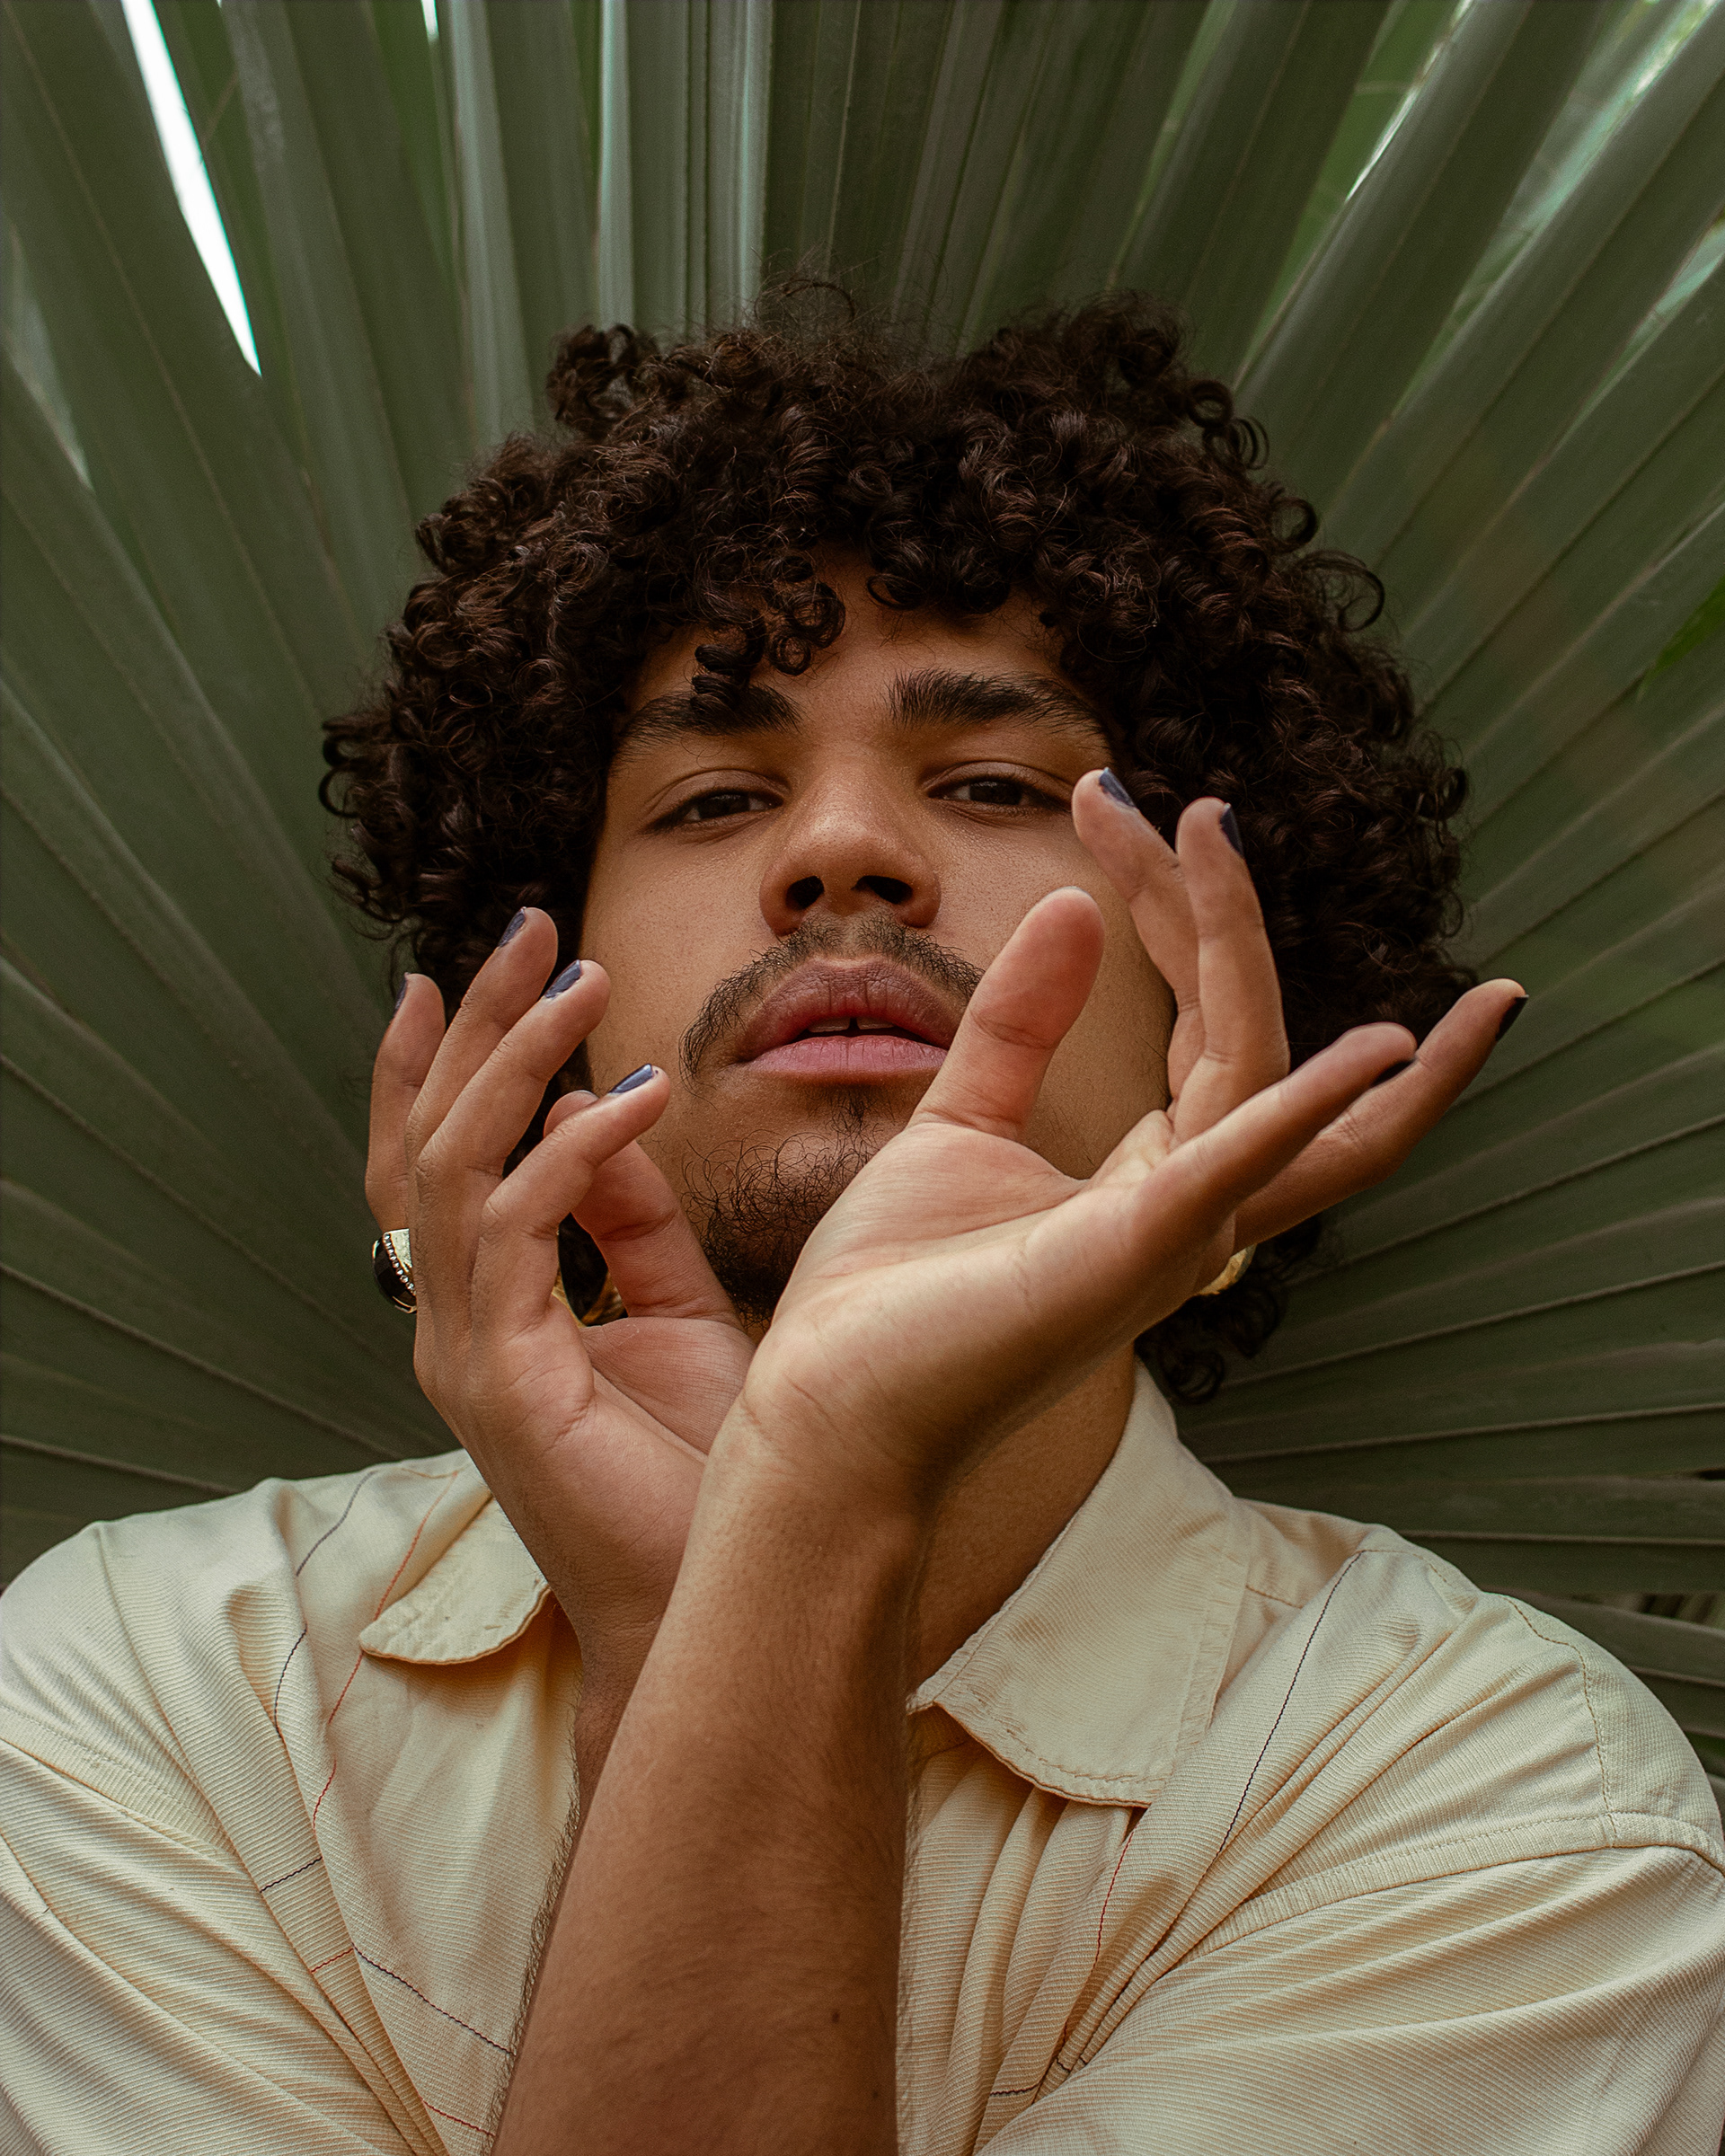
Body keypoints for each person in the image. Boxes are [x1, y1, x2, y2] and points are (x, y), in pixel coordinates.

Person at [3, 299, 1721, 2155]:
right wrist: (721, 1601)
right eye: (712, 796)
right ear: (541, 984)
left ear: (1227, 984)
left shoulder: (1513, 1809)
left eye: (992, 786)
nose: (839, 854)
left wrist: (807, 1500)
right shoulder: (156, 1687)